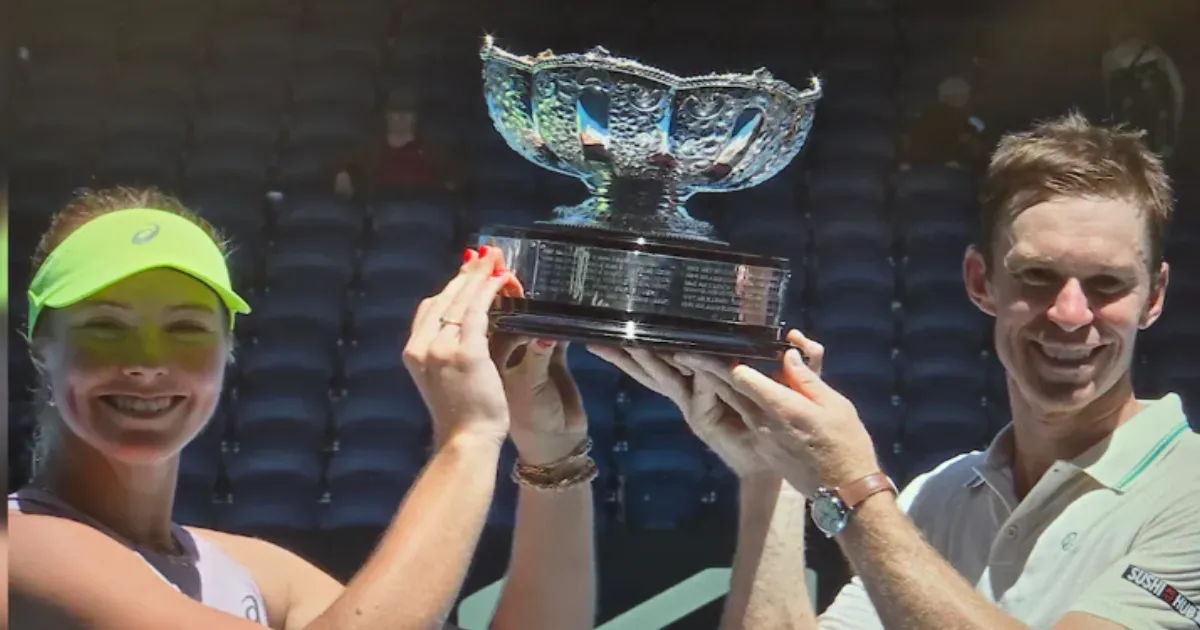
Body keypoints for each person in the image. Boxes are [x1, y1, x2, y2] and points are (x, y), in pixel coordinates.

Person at [593, 112, 1200, 629]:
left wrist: (853, 487)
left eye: (1107, 284)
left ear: (1154, 297)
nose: (1071, 314)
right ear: (980, 282)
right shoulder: (938, 495)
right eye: (1037, 276)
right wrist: (769, 470)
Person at [9, 187, 596, 630]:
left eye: (185, 327)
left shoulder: (253, 570)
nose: (146, 362)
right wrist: (468, 438)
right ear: (41, 347)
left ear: (227, 347)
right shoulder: (20, 546)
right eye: (106, 327)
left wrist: (553, 454)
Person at [334, 90, 462, 201]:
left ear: (415, 117)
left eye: (407, 112)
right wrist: (343, 175)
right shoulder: (370, 150)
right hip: (383, 215)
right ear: (387, 116)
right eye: (396, 112)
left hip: (424, 214)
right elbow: (334, 168)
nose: (402, 117)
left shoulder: (432, 149)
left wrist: (450, 186)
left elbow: (460, 177)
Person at [1101, 11, 1185, 161]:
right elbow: (1177, 91)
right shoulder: (1157, 54)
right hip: (1159, 128)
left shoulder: (1110, 59)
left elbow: (1109, 98)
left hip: (1128, 132)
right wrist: (1175, 129)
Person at [898, 76, 987, 173]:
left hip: (925, 169)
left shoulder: (970, 120)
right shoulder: (969, 120)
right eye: (956, 96)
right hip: (940, 169)